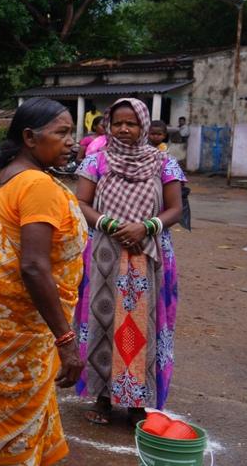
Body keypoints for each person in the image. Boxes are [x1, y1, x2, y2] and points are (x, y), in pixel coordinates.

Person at [0, 97, 87, 466]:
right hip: (23, 328)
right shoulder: (37, 186)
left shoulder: (8, 175)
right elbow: (33, 266)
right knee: (13, 422)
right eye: (61, 133)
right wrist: (66, 340)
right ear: (31, 137)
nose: (71, 142)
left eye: (72, 133)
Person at [73, 98, 185, 425]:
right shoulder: (96, 161)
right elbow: (81, 202)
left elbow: (175, 209)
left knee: (144, 325)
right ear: (108, 125)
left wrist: (145, 227)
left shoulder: (164, 164)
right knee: (102, 320)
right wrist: (111, 224)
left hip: (148, 254)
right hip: (104, 252)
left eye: (132, 123)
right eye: (118, 123)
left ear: (144, 127)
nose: (124, 129)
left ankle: (138, 401)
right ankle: (103, 397)